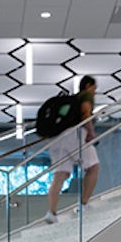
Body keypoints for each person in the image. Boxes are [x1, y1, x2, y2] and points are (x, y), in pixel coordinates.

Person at [43, 75, 99, 225]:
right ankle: (83, 204)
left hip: (55, 138)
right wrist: (91, 133)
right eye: (94, 88)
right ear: (87, 85)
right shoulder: (85, 96)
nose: (94, 92)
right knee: (93, 167)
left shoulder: (69, 101)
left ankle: (52, 212)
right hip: (74, 134)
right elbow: (85, 113)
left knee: (60, 175)